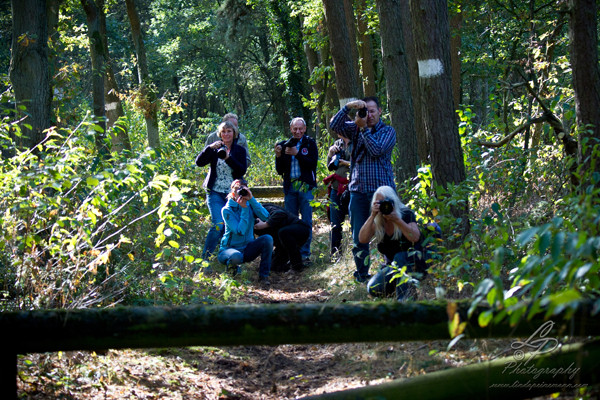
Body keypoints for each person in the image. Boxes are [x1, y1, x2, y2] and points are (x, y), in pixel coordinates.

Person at [329, 97, 396, 282]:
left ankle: (388, 273)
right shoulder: (355, 127)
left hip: (382, 192)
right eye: (366, 111)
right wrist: (349, 107)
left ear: (380, 111)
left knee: (387, 234)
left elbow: (376, 150)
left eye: (373, 111)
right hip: (358, 191)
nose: (370, 115)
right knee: (359, 236)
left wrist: (363, 129)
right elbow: (334, 124)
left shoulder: (388, 131)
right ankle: (362, 275)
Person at [358, 186, 426, 301]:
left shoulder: (406, 214)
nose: (384, 206)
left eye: (386, 202)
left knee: (399, 257)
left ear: (393, 201)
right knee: (373, 288)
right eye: (379, 203)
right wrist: (373, 215)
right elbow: (362, 239)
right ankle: (403, 288)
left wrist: (397, 220)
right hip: (392, 267)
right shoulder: (378, 221)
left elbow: (415, 237)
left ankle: (405, 301)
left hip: (415, 263)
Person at [195, 120, 248, 260]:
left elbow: (242, 170)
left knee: (230, 226)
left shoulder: (240, 150)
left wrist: (228, 158)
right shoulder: (214, 149)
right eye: (223, 131)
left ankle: (227, 257)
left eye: (229, 131)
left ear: (234, 133)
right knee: (218, 224)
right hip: (215, 192)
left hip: (232, 194)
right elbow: (199, 163)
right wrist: (208, 148)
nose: (226, 134)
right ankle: (205, 260)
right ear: (219, 134)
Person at [274, 117, 318, 262]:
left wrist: (297, 154)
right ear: (291, 129)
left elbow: (312, 164)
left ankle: (305, 254)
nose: (297, 131)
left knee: (306, 220)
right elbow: (280, 171)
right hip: (290, 187)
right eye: (295, 129)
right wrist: (279, 156)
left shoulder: (310, 143)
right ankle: (292, 254)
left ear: (304, 129)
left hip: (305, 187)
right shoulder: (284, 145)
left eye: (300, 129)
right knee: (290, 222)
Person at [218, 179, 273, 286]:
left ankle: (264, 276)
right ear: (233, 193)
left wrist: (251, 199)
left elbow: (266, 217)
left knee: (267, 239)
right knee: (236, 256)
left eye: (244, 189)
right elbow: (240, 231)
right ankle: (232, 270)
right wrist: (244, 209)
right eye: (238, 190)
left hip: (247, 248)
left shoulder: (249, 205)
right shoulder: (227, 210)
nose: (241, 193)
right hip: (229, 250)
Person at [254, 203, 311, 272]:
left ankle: (296, 266)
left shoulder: (263, 208)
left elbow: (280, 214)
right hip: (281, 243)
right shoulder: (245, 221)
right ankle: (286, 264)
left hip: (299, 230)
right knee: (274, 267)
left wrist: (265, 224)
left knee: (284, 232)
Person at [323, 134, 351, 258]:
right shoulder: (337, 144)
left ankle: (353, 253)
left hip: (351, 189)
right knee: (335, 224)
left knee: (354, 222)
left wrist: (346, 162)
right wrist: (330, 153)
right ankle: (335, 254)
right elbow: (330, 167)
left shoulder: (357, 142)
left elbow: (362, 164)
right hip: (336, 189)